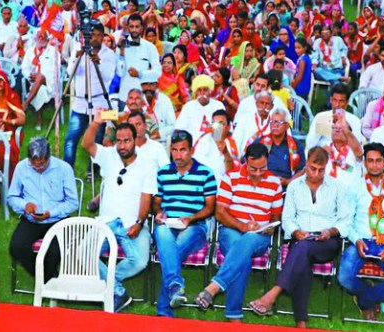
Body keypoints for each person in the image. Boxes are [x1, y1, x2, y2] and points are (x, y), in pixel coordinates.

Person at [247, 147, 352, 326]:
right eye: (312, 168)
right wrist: (296, 231)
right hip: (300, 238)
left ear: (326, 167)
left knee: (301, 250)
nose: (316, 174)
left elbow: (345, 221)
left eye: (321, 170)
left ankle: (272, 294)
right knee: (302, 256)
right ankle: (301, 322)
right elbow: (287, 218)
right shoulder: (295, 186)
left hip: (326, 242)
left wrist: (330, 232)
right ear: (306, 163)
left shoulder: (337, 187)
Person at [192, 143, 283, 322]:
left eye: (262, 168)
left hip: (259, 236)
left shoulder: (274, 183)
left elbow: (275, 216)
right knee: (242, 259)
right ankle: (234, 317)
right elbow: (220, 213)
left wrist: (270, 226)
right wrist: (242, 226)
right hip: (232, 230)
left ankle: (214, 287)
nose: (257, 173)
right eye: (253, 168)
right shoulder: (231, 177)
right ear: (245, 162)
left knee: (248, 241)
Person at [82, 112, 156, 313]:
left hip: (132, 223)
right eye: (119, 141)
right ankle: (117, 291)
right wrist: (96, 122)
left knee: (140, 260)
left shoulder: (147, 164)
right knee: (81, 255)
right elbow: (87, 144)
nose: (122, 145)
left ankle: (104, 284)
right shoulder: (108, 156)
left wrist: (139, 223)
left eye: (127, 141)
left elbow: (146, 199)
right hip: (105, 221)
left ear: (135, 141)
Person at [338, 143, 384, 321]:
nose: (374, 165)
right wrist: (356, 240)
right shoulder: (355, 187)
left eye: (379, 161)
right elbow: (346, 220)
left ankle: (365, 300)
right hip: (361, 241)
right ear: (365, 163)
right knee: (344, 277)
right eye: (370, 161)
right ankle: (370, 297)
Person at [153, 130, 217, 317]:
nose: (178, 155)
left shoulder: (205, 173)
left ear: (192, 150)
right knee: (163, 233)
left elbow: (210, 207)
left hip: (195, 226)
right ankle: (175, 288)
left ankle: (164, 310)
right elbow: (157, 202)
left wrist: (191, 218)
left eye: (183, 150)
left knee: (172, 252)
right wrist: (158, 213)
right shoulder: (163, 173)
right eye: (174, 150)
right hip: (169, 223)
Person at [7, 137, 79, 282]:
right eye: (34, 165)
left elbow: (73, 202)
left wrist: (51, 213)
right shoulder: (21, 168)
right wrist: (24, 205)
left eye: (42, 164)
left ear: (49, 157)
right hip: (31, 220)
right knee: (16, 247)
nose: (38, 168)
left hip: (57, 220)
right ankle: (46, 278)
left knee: (54, 252)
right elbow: (12, 197)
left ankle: (46, 279)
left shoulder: (64, 169)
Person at [63, 23, 116, 168]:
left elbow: (108, 76)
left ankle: (92, 171)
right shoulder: (78, 50)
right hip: (80, 103)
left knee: (97, 139)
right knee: (70, 139)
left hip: (100, 103)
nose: (96, 38)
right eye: (93, 35)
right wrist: (77, 58)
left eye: (100, 35)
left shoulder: (109, 54)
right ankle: (68, 170)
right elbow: (70, 72)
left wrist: (98, 62)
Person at [117, 13, 162, 108]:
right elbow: (120, 73)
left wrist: (140, 74)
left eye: (137, 27)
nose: (134, 30)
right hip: (124, 96)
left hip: (143, 97)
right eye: (131, 26)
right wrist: (121, 51)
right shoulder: (121, 45)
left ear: (142, 28)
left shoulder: (150, 47)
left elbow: (158, 72)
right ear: (128, 28)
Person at [252, 109, 305, 188]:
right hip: (261, 185)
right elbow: (246, 162)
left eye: (279, 122)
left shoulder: (296, 145)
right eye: (272, 122)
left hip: (286, 188)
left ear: (287, 125)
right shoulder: (260, 142)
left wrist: (289, 182)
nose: (275, 125)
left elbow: (303, 170)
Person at [0, 70, 26, 182]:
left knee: (4, 152)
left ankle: (7, 183)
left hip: (6, 135)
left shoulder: (12, 97)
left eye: (2, 80)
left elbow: (22, 119)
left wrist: (8, 122)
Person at [21, 29, 58, 129]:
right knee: (40, 90)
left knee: (41, 76)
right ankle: (39, 121)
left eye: (43, 36)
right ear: (35, 38)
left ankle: (26, 103)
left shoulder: (53, 51)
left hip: (49, 82)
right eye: (39, 37)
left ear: (47, 38)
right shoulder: (30, 51)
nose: (41, 39)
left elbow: (56, 70)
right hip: (35, 85)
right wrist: (30, 75)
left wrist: (41, 76)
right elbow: (24, 68)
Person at [192, 109, 241, 184]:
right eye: (215, 124)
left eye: (221, 124)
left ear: (228, 127)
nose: (218, 127)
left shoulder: (232, 144)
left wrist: (225, 152)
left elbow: (232, 173)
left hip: (221, 185)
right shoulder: (202, 139)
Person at [174, 74, 224, 143]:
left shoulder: (218, 106)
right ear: (195, 92)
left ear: (210, 91)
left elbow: (219, 132)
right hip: (192, 145)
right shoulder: (188, 106)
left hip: (213, 145)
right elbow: (179, 128)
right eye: (199, 90)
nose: (202, 93)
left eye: (205, 90)